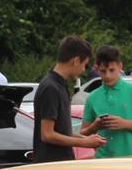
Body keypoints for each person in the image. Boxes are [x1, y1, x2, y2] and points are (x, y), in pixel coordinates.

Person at [32, 35, 106, 163]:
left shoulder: (60, 85)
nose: (83, 70)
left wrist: (86, 139)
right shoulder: (51, 87)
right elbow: (47, 134)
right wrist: (84, 143)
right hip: (51, 166)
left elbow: (62, 132)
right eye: (84, 64)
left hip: (61, 164)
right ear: (76, 60)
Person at [80, 45, 132, 157]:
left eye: (111, 70)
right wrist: (94, 127)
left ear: (120, 66)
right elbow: (83, 134)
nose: (107, 76)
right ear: (97, 69)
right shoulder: (92, 97)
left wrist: (125, 124)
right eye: (103, 71)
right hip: (103, 161)